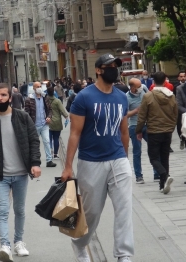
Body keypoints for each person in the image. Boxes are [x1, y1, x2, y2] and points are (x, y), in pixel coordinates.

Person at [61, 53, 133, 262]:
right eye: (109, 66)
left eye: (116, 66)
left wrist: (125, 159)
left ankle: (124, 254)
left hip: (118, 159)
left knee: (124, 207)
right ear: (99, 70)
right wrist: (68, 167)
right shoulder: (84, 97)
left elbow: (124, 131)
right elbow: (75, 133)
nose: (114, 69)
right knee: (91, 213)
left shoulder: (121, 97)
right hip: (91, 161)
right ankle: (80, 244)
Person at [0, 83, 41, 262]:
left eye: (3, 95)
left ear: (9, 97)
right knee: (2, 211)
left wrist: (35, 163)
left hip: (21, 173)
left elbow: (33, 141)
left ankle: (19, 242)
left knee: (20, 210)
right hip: (0, 174)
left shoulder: (22, 117)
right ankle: (5, 245)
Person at [136, 71, 177, 193]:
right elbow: (175, 113)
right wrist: (172, 126)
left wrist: (138, 130)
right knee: (165, 157)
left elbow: (142, 115)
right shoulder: (171, 95)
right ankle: (162, 184)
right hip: (167, 131)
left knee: (153, 157)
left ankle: (164, 175)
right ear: (165, 81)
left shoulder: (148, 96)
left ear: (153, 81)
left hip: (154, 130)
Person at [126, 78, 158, 184]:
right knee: (137, 152)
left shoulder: (144, 90)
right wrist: (136, 110)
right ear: (133, 87)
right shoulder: (126, 97)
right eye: (138, 86)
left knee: (154, 148)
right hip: (134, 126)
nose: (141, 87)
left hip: (147, 125)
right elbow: (124, 115)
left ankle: (157, 173)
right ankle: (139, 176)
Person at [25, 82, 56, 167]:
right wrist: (29, 124)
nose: (39, 88)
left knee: (47, 141)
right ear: (34, 88)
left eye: (40, 86)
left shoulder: (45, 97)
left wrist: (49, 117)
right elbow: (26, 113)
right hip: (34, 126)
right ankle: (35, 162)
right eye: (37, 87)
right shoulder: (29, 99)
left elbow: (50, 109)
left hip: (44, 124)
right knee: (34, 144)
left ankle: (49, 160)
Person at [46, 85, 69, 159]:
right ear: (54, 92)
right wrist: (66, 117)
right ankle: (55, 154)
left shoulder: (45, 100)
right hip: (57, 122)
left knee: (48, 139)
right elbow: (62, 110)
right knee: (56, 138)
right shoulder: (57, 101)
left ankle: (49, 153)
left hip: (47, 121)